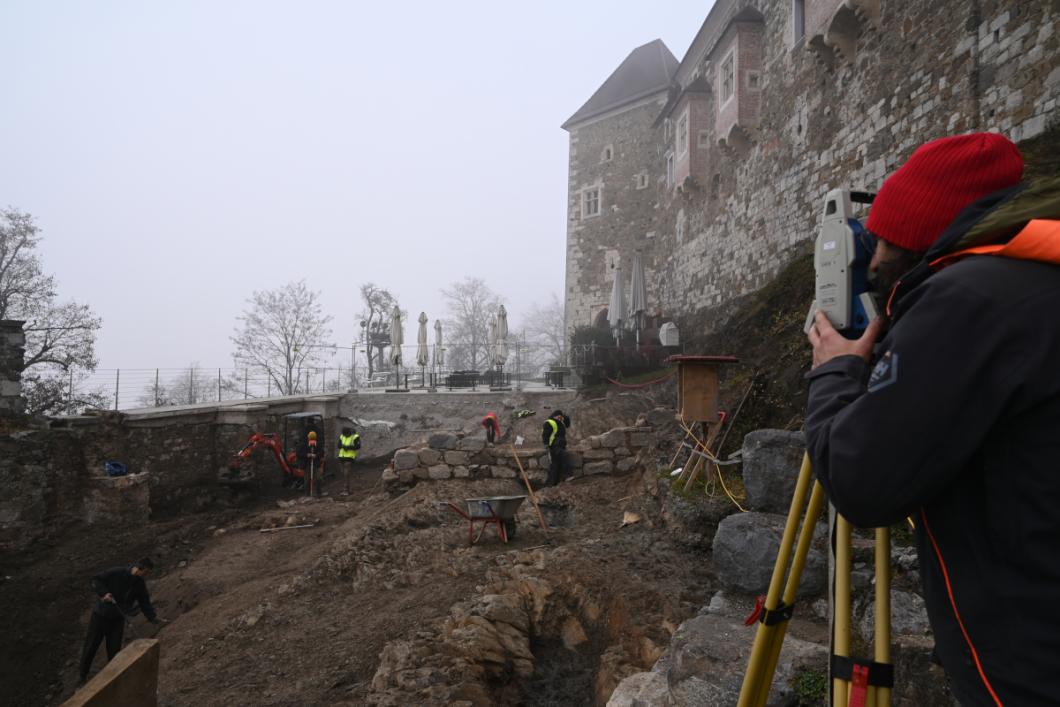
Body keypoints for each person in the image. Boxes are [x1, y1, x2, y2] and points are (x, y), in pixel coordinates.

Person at [805, 132, 1060, 705]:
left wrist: (834, 374)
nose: (871, 262)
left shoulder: (967, 303)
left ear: (920, 233)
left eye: (883, 242)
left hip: (1028, 664)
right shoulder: (1036, 281)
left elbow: (859, 479)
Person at [78, 558, 162, 686]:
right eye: (146, 572)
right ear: (139, 568)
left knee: (114, 650)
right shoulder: (117, 572)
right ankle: (82, 677)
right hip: (100, 616)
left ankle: (113, 679)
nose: (146, 575)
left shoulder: (139, 584)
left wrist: (152, 618)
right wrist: (104, 593)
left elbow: (144, 602)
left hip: (118, 619)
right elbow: (95, 579)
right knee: (91, 646)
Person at [542, 409, 572, 487]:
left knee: (556, 466)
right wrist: (546, 445)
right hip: (554, 446)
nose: (559, 418)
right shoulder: (549, 422)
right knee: (563, 458)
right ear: (554, 416)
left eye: (560, 417)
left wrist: (565, 416)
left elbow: (568, 424)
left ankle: (553, 484)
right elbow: (545, 435)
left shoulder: (561, 423)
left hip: (561, 446)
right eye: (558, 417)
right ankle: (567, 476)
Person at [337, 425, 361, 496]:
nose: (345, 436)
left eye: (346, 434)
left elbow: (358, 446)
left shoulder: (355, 437)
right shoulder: (342, 436)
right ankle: (347, 488)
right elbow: (338, 445)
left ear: (349, 432)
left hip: (349, 458)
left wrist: (349, 447)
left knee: (346, 474)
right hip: (341, 457)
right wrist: (342, 446)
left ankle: (346, 490)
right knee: (343, 473)